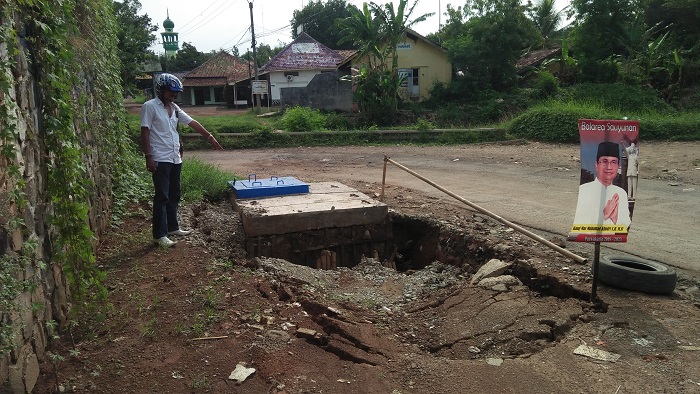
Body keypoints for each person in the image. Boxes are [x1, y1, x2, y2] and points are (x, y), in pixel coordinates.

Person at [140, 73, 223, 248]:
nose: (174, 95)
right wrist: (148, 156)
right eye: (171, 91)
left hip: (175, 157)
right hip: (160, 157)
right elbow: (145, 132)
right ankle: (159, 235)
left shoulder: (175, 108)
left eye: (176, 92)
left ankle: (172, 227)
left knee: (174, 194)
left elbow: (192, 122)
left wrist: (209, 137)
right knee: (162, 196)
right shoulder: (150, 107)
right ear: (161, 89)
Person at [573, 141, 631, 228]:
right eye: (604, 161)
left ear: (618, 166)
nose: (609, 167)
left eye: (613, 162)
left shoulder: (621, 193)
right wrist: (604, 215)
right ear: (596, 165)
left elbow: (626, 224)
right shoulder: (584, 190)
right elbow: (579, 223)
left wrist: (615, 219)